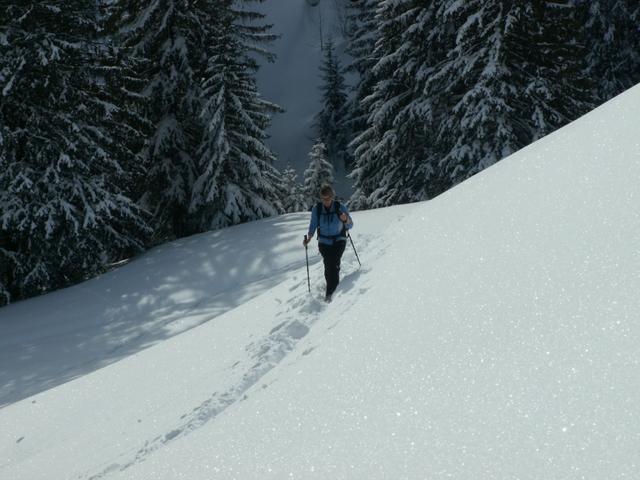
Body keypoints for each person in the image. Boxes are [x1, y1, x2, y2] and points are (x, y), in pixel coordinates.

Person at [303, 184, 354, 302]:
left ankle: (330, 293)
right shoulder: (317, 209)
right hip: (324, 241)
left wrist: (345, 219)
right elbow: (313, 224)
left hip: (339, 240)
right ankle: (332, 290)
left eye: (328, 198)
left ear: (332, 196)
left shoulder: (340, 207)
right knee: (328, 265)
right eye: (323, 198)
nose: (325, 201)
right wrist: (309, 237)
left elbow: (350, 225)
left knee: (334, 263)